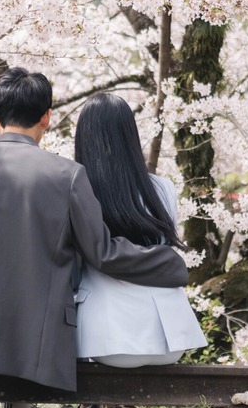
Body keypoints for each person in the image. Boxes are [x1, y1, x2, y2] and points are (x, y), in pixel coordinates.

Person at [0, 68, 189, 393]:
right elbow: (102, 252)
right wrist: (171, 263)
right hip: (31, 336)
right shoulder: (66, 175)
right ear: (46, 118)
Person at [73, 93, 207, 366]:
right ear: (130, 136)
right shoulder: (162, 189)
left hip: (108, 340)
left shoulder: (77, 187)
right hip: (169, 338)